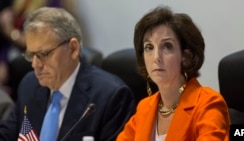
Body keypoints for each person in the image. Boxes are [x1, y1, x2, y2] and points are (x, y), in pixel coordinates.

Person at [0, 7, 135, 141]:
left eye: (43, 54)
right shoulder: (29, 84)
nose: (35, 64)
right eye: (31, 55)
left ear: (73, 48)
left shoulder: (111, 97)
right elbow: (7, 134)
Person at [117, 6, 230, 141]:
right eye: (149, 47)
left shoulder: (208, 104)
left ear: (186, 57)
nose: (156, 57)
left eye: (167, 46)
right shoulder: (145, 107)